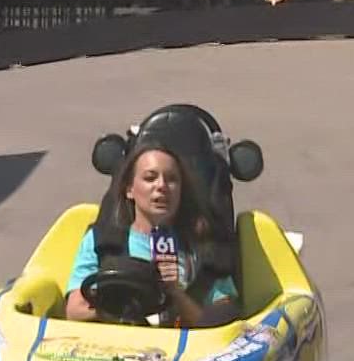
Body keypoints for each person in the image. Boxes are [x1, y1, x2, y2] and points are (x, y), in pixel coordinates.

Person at [63, 138, 240, 328]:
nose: (161, 186)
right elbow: (74, 310)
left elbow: (222, 321)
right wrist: (122, 302)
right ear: (129, 189)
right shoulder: (102, 242)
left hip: (182, 349)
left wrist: (174, 292)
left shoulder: (201, 246)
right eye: (150, 178)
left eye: (171, 179)